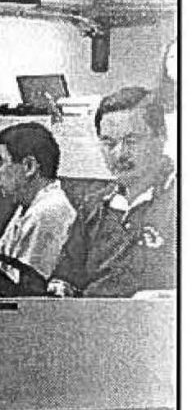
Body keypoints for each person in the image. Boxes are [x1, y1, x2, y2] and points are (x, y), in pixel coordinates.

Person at [49, 86, 176, 298]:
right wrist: (61, 286)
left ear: (161, 137)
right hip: (91, 316)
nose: (119, 154)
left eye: (131, 141)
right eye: (109, 143)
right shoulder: (92, 206)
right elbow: (67, 275)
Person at [0, 122, 76, 278]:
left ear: (29, 166)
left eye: (1, 162)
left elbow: (27, 285)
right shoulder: (28, 206)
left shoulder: (50, 210)